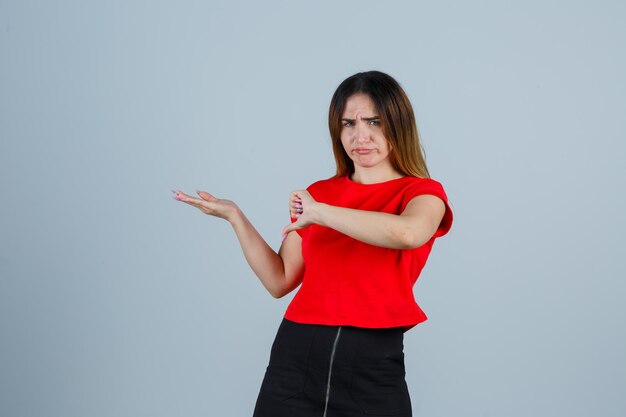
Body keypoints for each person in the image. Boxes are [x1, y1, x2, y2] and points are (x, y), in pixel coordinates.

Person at [173, 70, 453, 417]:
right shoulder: (319, 194)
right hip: (296, 358)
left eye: (374, 122)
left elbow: (408, 233)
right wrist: (236, 217)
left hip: (373, 364)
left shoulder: (422, 193)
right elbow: (280, 280)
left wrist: (320, 213)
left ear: (398, 124)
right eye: (348, 123)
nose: (360, 135)